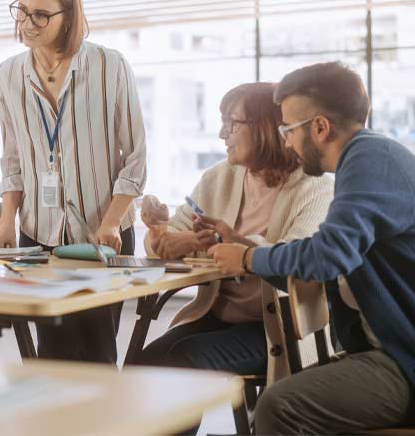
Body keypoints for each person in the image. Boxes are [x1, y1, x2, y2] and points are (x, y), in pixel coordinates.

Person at [209, 62, 415, 435]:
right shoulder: (372, 158)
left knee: (279, 406)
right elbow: (326, 247)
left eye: (287, 129)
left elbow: (327, 256)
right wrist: (249, 251)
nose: (284, 140)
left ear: (320, 128)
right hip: (388, 350)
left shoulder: (369, 161)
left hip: (403, 360)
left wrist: (248, 257)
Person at [135, 83, 333, 432]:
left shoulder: (313, 186)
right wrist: (161, 231)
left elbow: (298, 258)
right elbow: (162, 246)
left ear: (265, 127)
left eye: (232, 123)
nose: (221, 134)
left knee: (181, 366)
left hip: (277, 329)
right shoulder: (220, 177)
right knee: (143, 363)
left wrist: (240, 244)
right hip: (220, 318)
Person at [0, 0, 147, 363]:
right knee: (50, 357)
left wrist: (112, 220)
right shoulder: (8, 74)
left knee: (96, 354)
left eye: (41, 15)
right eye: (21, 10)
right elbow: (12, 156)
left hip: (100, 235)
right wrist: (7, 220)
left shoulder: (109, 65)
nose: (27, 23)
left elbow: (135, 155)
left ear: (69, 16)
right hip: (38, 233)